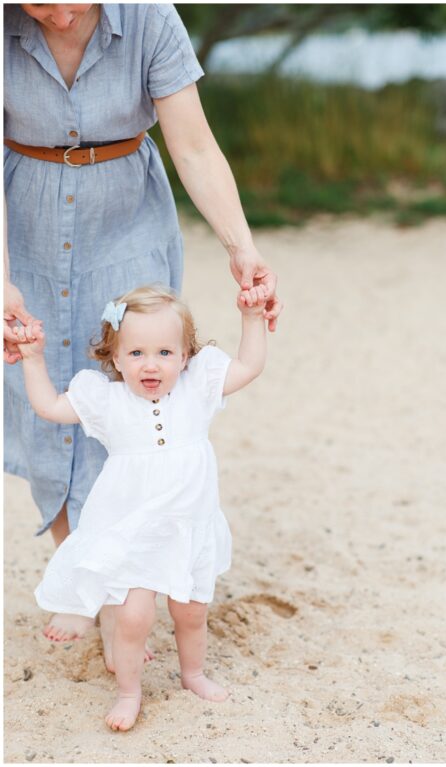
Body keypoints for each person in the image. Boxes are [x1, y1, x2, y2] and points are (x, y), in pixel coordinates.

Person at [3, 3, 281, 645]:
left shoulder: (151, 17)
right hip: (25, 218)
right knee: (38, 398)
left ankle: (118, 584)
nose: (63, 12)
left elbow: (192, 143)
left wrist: (241, 248)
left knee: (129, 389)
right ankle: (87, 577)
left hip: (126, 216)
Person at [15, 283, 267, 731]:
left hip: (188, 524)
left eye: (165, 353)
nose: (150, 364)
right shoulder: (108, 401)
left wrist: (252, 319)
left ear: (186, 356)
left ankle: (193, 674)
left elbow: (249, 365)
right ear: (115, 358)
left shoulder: (197, 389)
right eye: (136, 354)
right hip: (134, 528)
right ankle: (129, 691)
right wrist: (33, 360)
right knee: (133, 616)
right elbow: (50, 407)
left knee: (191, 611)